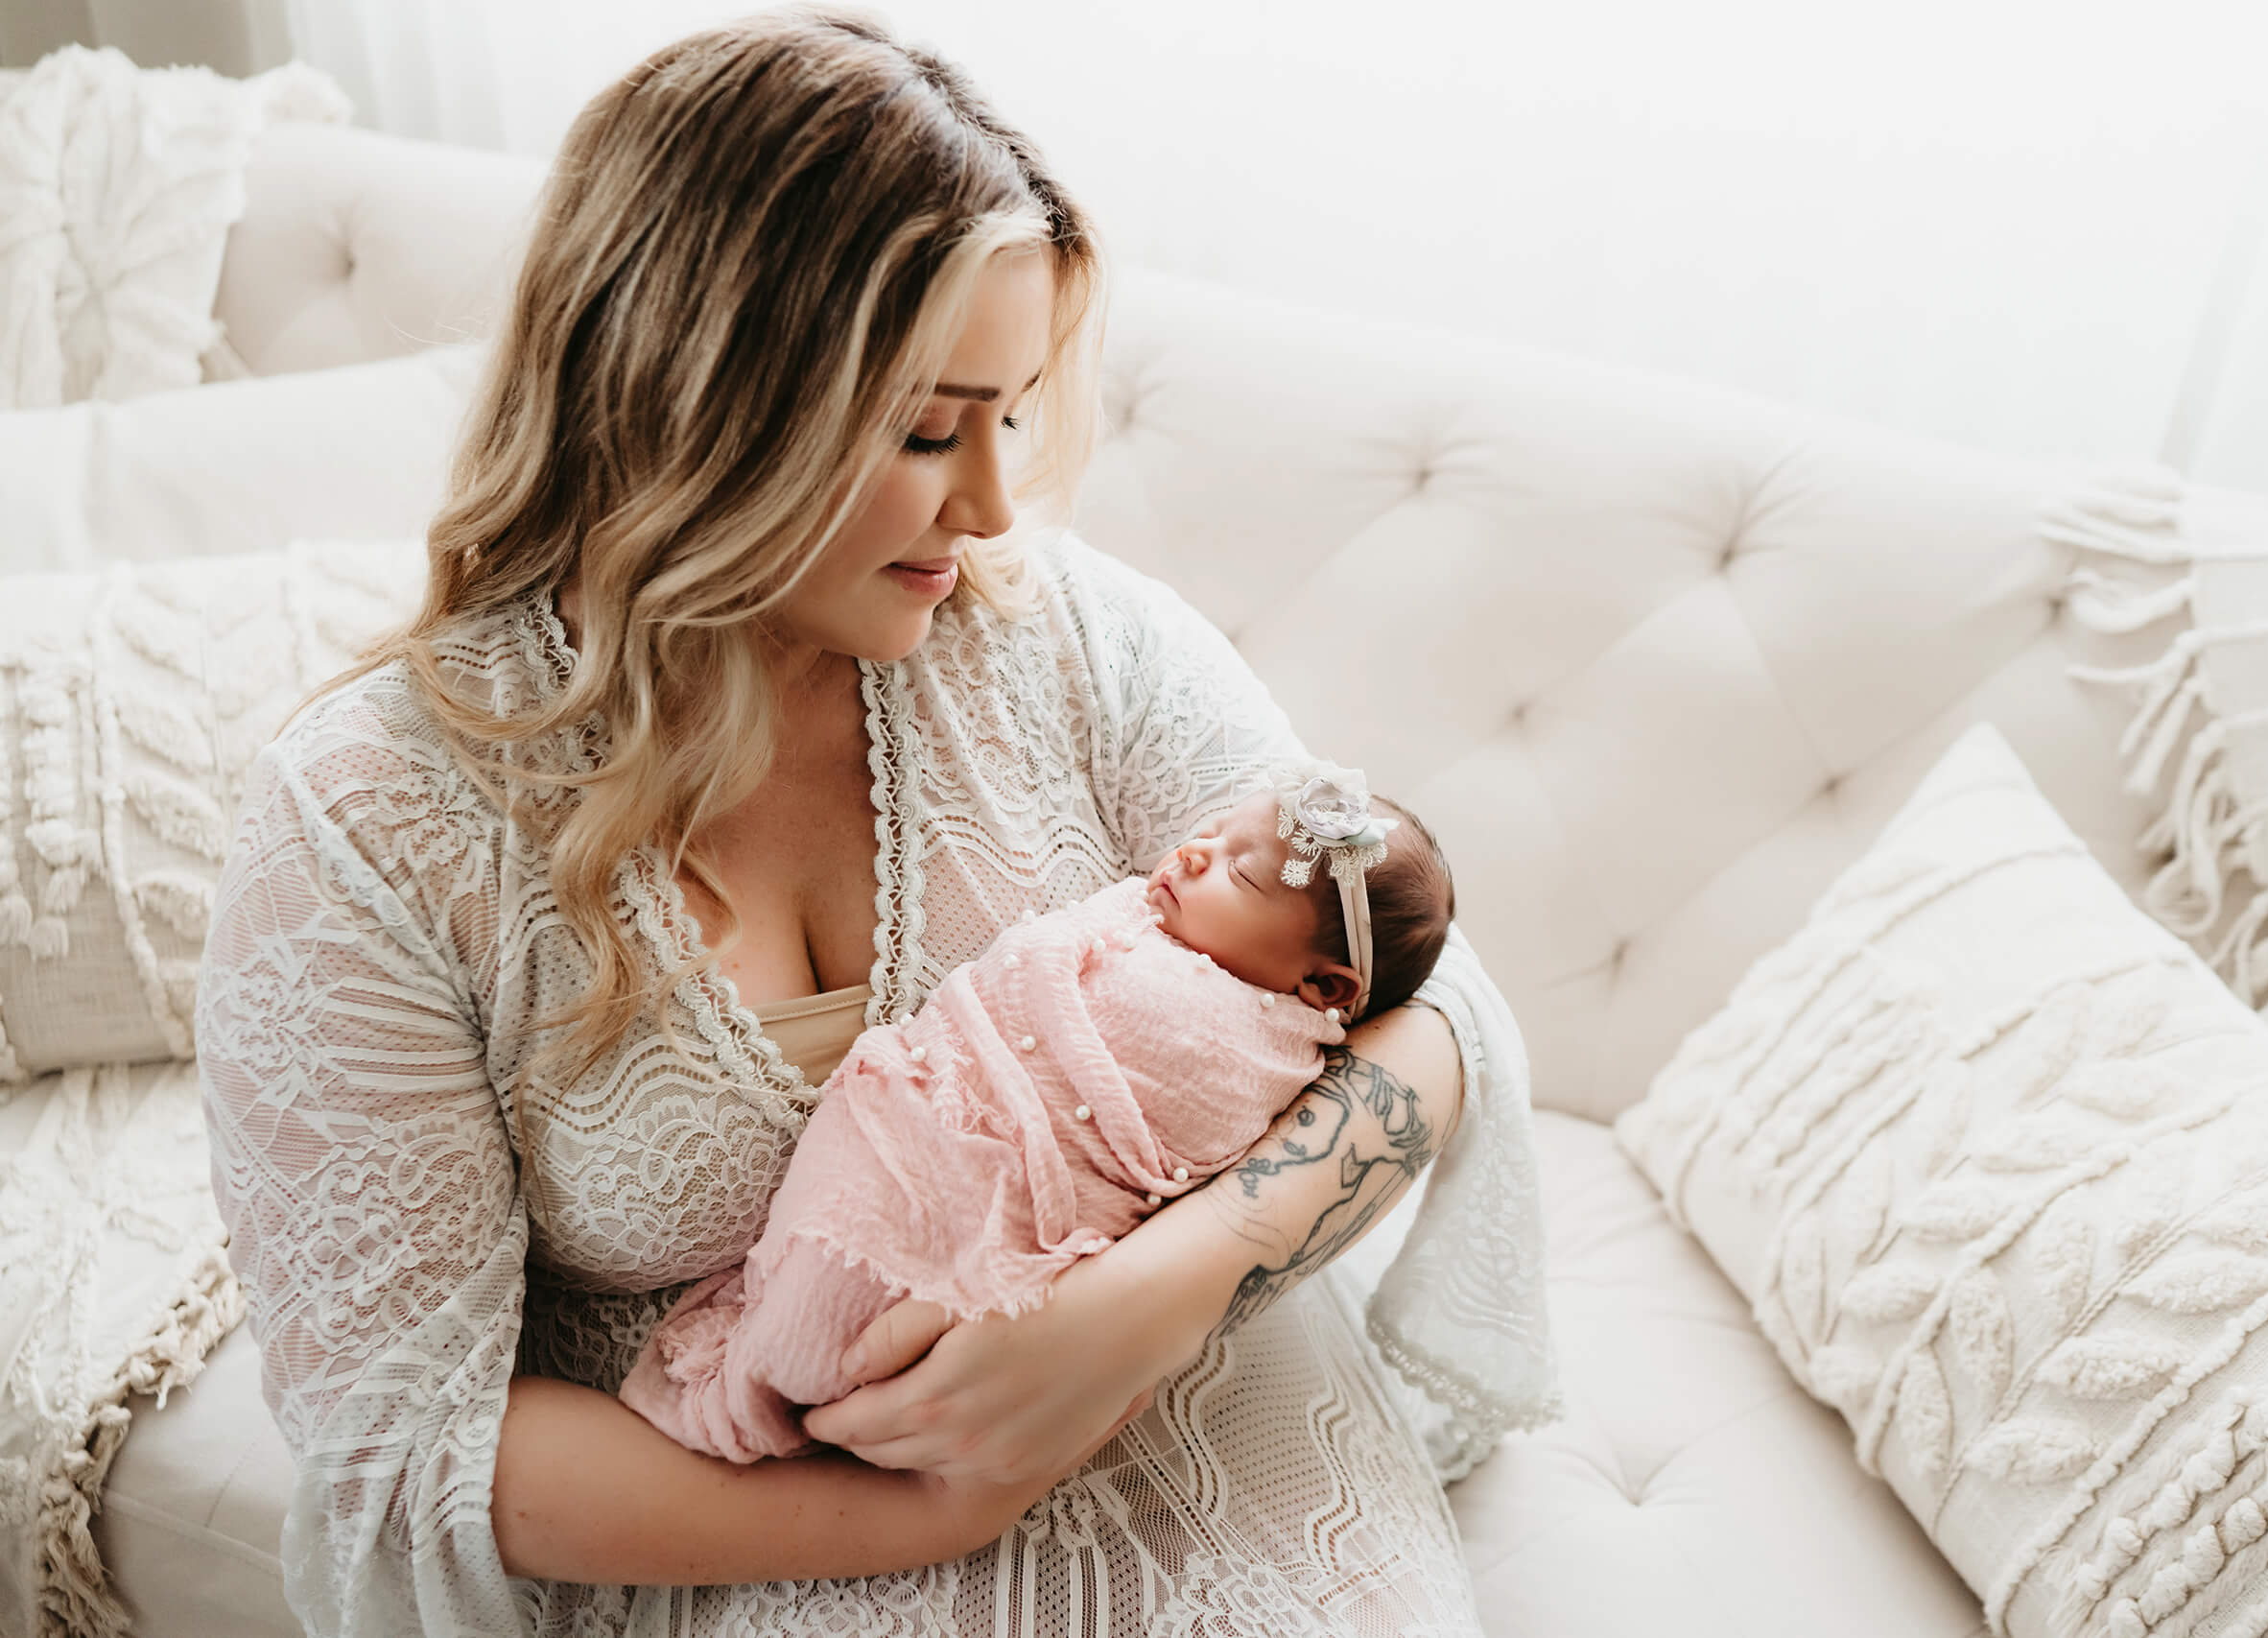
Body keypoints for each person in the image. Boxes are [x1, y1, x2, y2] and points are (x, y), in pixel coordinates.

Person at [194, 8, 1556, 1634]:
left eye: (1012, 410)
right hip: (741, 1511)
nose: (990, 502)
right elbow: (403, 1439)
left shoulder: (1068, 636)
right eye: (926, 428)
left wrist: (1143, 1304)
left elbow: (1435, 1000)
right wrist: (933, 1497)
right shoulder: (371, 823)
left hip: (1207, 1419)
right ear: (700, 401)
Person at [619, 774, 1455, 1460]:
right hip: (917, 1121)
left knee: (833, 1300)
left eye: (1238, 873)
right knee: (831, 1222)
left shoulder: (1258, 1044)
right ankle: (752, 1351)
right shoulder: (1170, 921)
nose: (1193, 853)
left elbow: (1167, 1124)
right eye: (1213, 831)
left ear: (1325, 988)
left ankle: (744, 1393)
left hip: (1000, 1203)